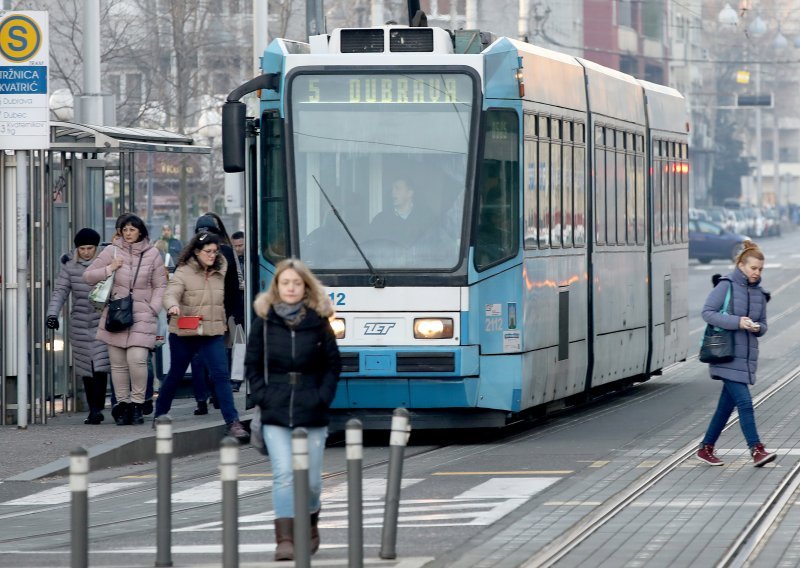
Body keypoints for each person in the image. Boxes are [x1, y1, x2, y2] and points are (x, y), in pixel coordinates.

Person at [244, 258, 341, 561]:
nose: (290, 288)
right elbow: (251, 365)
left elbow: (333, 365)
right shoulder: (264, 322)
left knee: (311, 479)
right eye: (285, 283)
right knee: (284, 473)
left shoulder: (318, 321)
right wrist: (262, 396)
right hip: (275, 407)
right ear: (277, 287)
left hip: (311, 407)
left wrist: (322, 396)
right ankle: (284, 539)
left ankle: (311, 521)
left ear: (305, 287)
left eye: (296, 283)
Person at [153, 232, 249, 441]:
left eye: (215, 251)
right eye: (207, 252)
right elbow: (170, 293)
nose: (212, 255)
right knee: (176, 374)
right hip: (185, 331)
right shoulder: (184, 271)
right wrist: (173, 306)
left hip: (212, 331)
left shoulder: (221, 267)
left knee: (221, 375)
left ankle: (232, 422)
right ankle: (160, 413)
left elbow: (232, 284)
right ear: (197, 252)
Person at [696, 241, 775, 468]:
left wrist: (757, 327)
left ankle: (706, 448)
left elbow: (764, 325)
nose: (757, 273)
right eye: (753, 268)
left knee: (725, 407)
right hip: (726, 354)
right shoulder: (726, 285)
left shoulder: (759, 294)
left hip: (746, 358)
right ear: (741, 265)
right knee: (745, 402)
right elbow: (707, 313)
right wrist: (737, 322)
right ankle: (757, 449)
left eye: (760, 269)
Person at [84, 213, 167, 426]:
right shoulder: (111, 251)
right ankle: (122, 406)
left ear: (141, 231)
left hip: (142, 313)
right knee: (118, 364)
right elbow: (88, 276)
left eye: (132, 229)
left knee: (137, 359)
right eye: (124, 229)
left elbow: (160, 285)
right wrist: (110, 268)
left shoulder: (153, 254)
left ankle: (138, 404)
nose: (128, 233)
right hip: (116, 313)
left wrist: (153, 308)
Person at [46, 228, 111, 425]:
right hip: (80, 323)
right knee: (86, 368)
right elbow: (60, 291)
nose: (86, 252)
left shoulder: (107, 264)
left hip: (103, 321)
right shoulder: (70, 267)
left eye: (90, 248)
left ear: (96, 247)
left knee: (100, 366)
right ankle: (93, 410)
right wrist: (52, 314)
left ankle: (98, 407)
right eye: (82, 248)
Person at [369, 178, 431, 246]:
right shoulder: (380, 220)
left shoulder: (425, 218)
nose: (393, 192)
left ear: (409, 193)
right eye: (392, 189)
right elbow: (373, 246)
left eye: (397, 188)